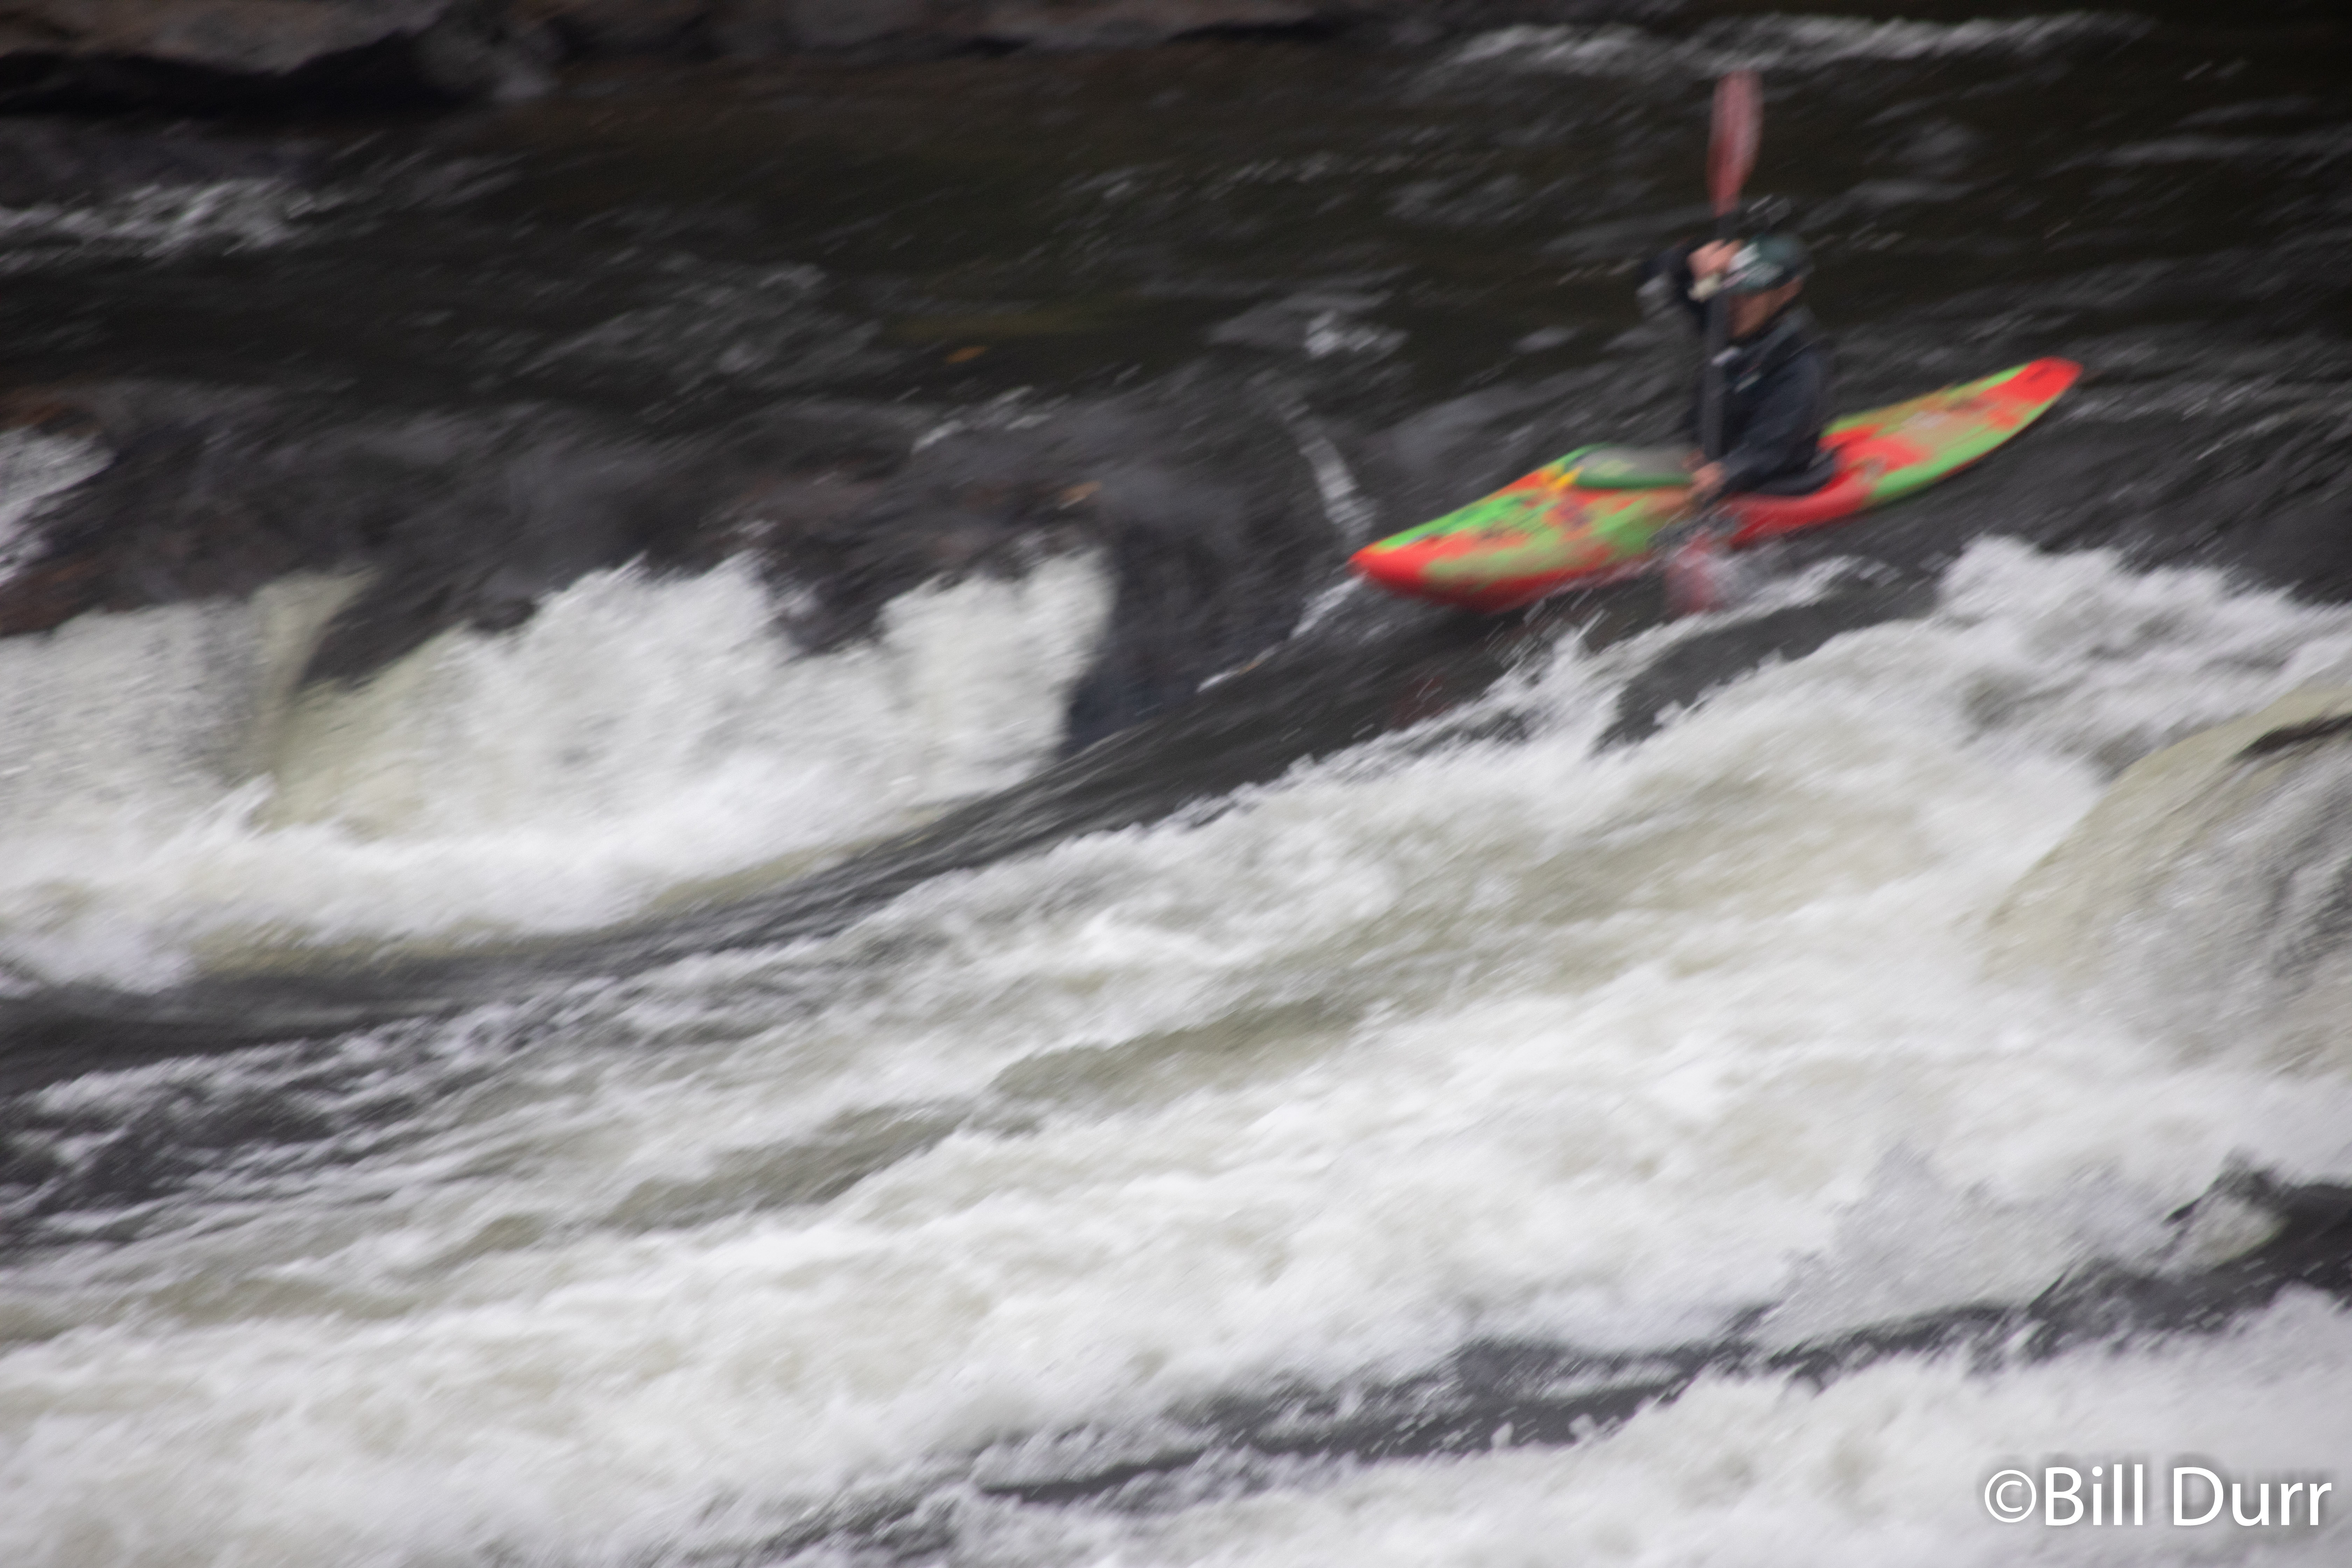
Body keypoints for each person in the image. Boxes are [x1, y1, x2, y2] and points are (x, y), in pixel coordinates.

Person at [1640, 232, 1834, 503]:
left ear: (1787, 292)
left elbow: (1768, 452)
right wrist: (1686, 260)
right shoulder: (1729, 317)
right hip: (1711, 461)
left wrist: (1724, 472)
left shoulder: (1803, 366)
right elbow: (1655, 281)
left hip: (1774, 483)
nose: (1737, 305)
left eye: (1751, 294)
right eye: (1734, 290)